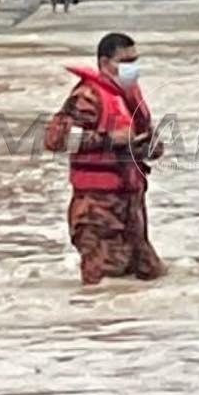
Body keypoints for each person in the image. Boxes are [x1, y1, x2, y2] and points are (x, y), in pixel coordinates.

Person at [43, 32, 167, 285]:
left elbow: (151, 145)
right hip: (97, 212)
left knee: (150, 279)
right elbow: (56, 140)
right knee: (102, 287)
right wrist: (110, 139)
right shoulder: (88, 96)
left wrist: (147, 145)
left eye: (135, 61)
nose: (132, 68)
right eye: (125, 62)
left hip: (131, 212)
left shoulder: (129, 97)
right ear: (104, 63)